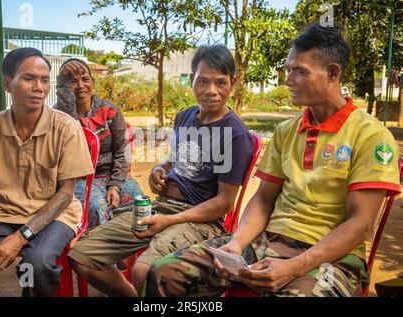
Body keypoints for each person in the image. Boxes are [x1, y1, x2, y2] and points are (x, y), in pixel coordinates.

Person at [143, 23, 401, 297]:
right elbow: (264, 200)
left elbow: (360, 223)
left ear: (332, 73)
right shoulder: (286, 131)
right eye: (288, 70)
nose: (288, 80)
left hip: (332, 259)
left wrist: (294, 266)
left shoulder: (371, 135)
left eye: (299, 72)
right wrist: (237, 244)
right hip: (268, 240)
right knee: (164, 273)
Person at [67, 44, 255, 296]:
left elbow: (223, 203)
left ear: (233, 82)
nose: (211, 91)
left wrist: (169, 221)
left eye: (220, 83)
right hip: (161, 206)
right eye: (203, 82)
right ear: (191, 81)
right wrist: (159, 167)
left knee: (144, 270)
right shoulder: (184, 116)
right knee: (82, 255)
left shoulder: (235, 134)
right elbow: (175, 158)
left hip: (200, 220)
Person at [0, 48, 94, 297]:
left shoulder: (66, 128)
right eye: (29, 78)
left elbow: (65, 194)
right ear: (8, 84)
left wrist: (20, 237)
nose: (39, 87)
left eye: (44, 79)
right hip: (4, 211)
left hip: (55, 214)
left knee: (36, 265)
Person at [53, 58, 143, 228]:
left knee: (140, 203)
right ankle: (98, 252)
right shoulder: (57, 114)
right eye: (72, 81)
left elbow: (122, 152)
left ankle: (134, 251)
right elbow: (70, 135)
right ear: (64, 87)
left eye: (85, 79)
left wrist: (115, 186)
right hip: (78, 179)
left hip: (111, 176)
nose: (80, 85)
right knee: (96, 208)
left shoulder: (110, 111)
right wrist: (64, 87)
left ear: (93, 83)